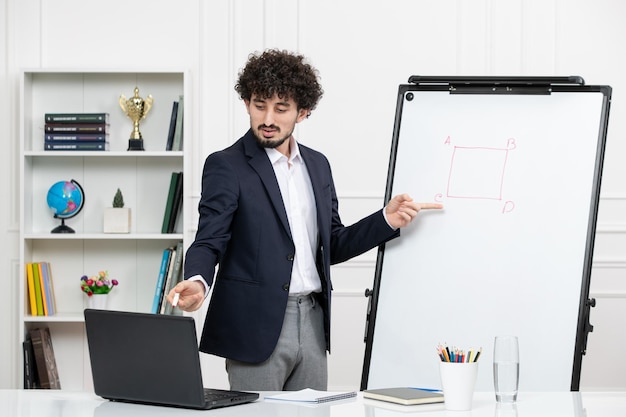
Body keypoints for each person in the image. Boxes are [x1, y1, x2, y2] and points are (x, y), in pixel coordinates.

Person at [166, 49, 442, 391]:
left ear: (303, 112)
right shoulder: (227, 165)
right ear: (247, 103)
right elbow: (210, 238)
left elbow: (333, 244)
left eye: (281, 108)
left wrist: (386, 220)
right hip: (255, 326)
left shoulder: (318, 165)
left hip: (313, 321)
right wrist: (198, 280)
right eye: (259, 105)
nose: (268, 118)